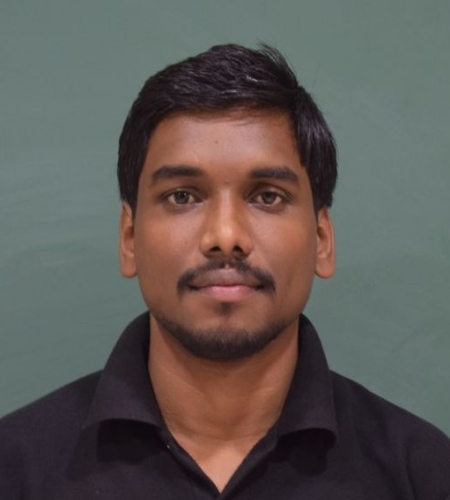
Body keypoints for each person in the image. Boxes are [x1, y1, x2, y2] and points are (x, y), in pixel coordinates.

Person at [0, 43, 449, 500]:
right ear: (129, 239)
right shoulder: (16, 469)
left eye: (267, 196)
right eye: (182, 196)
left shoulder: (423, 474)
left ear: (322, 239)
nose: (226, 236)